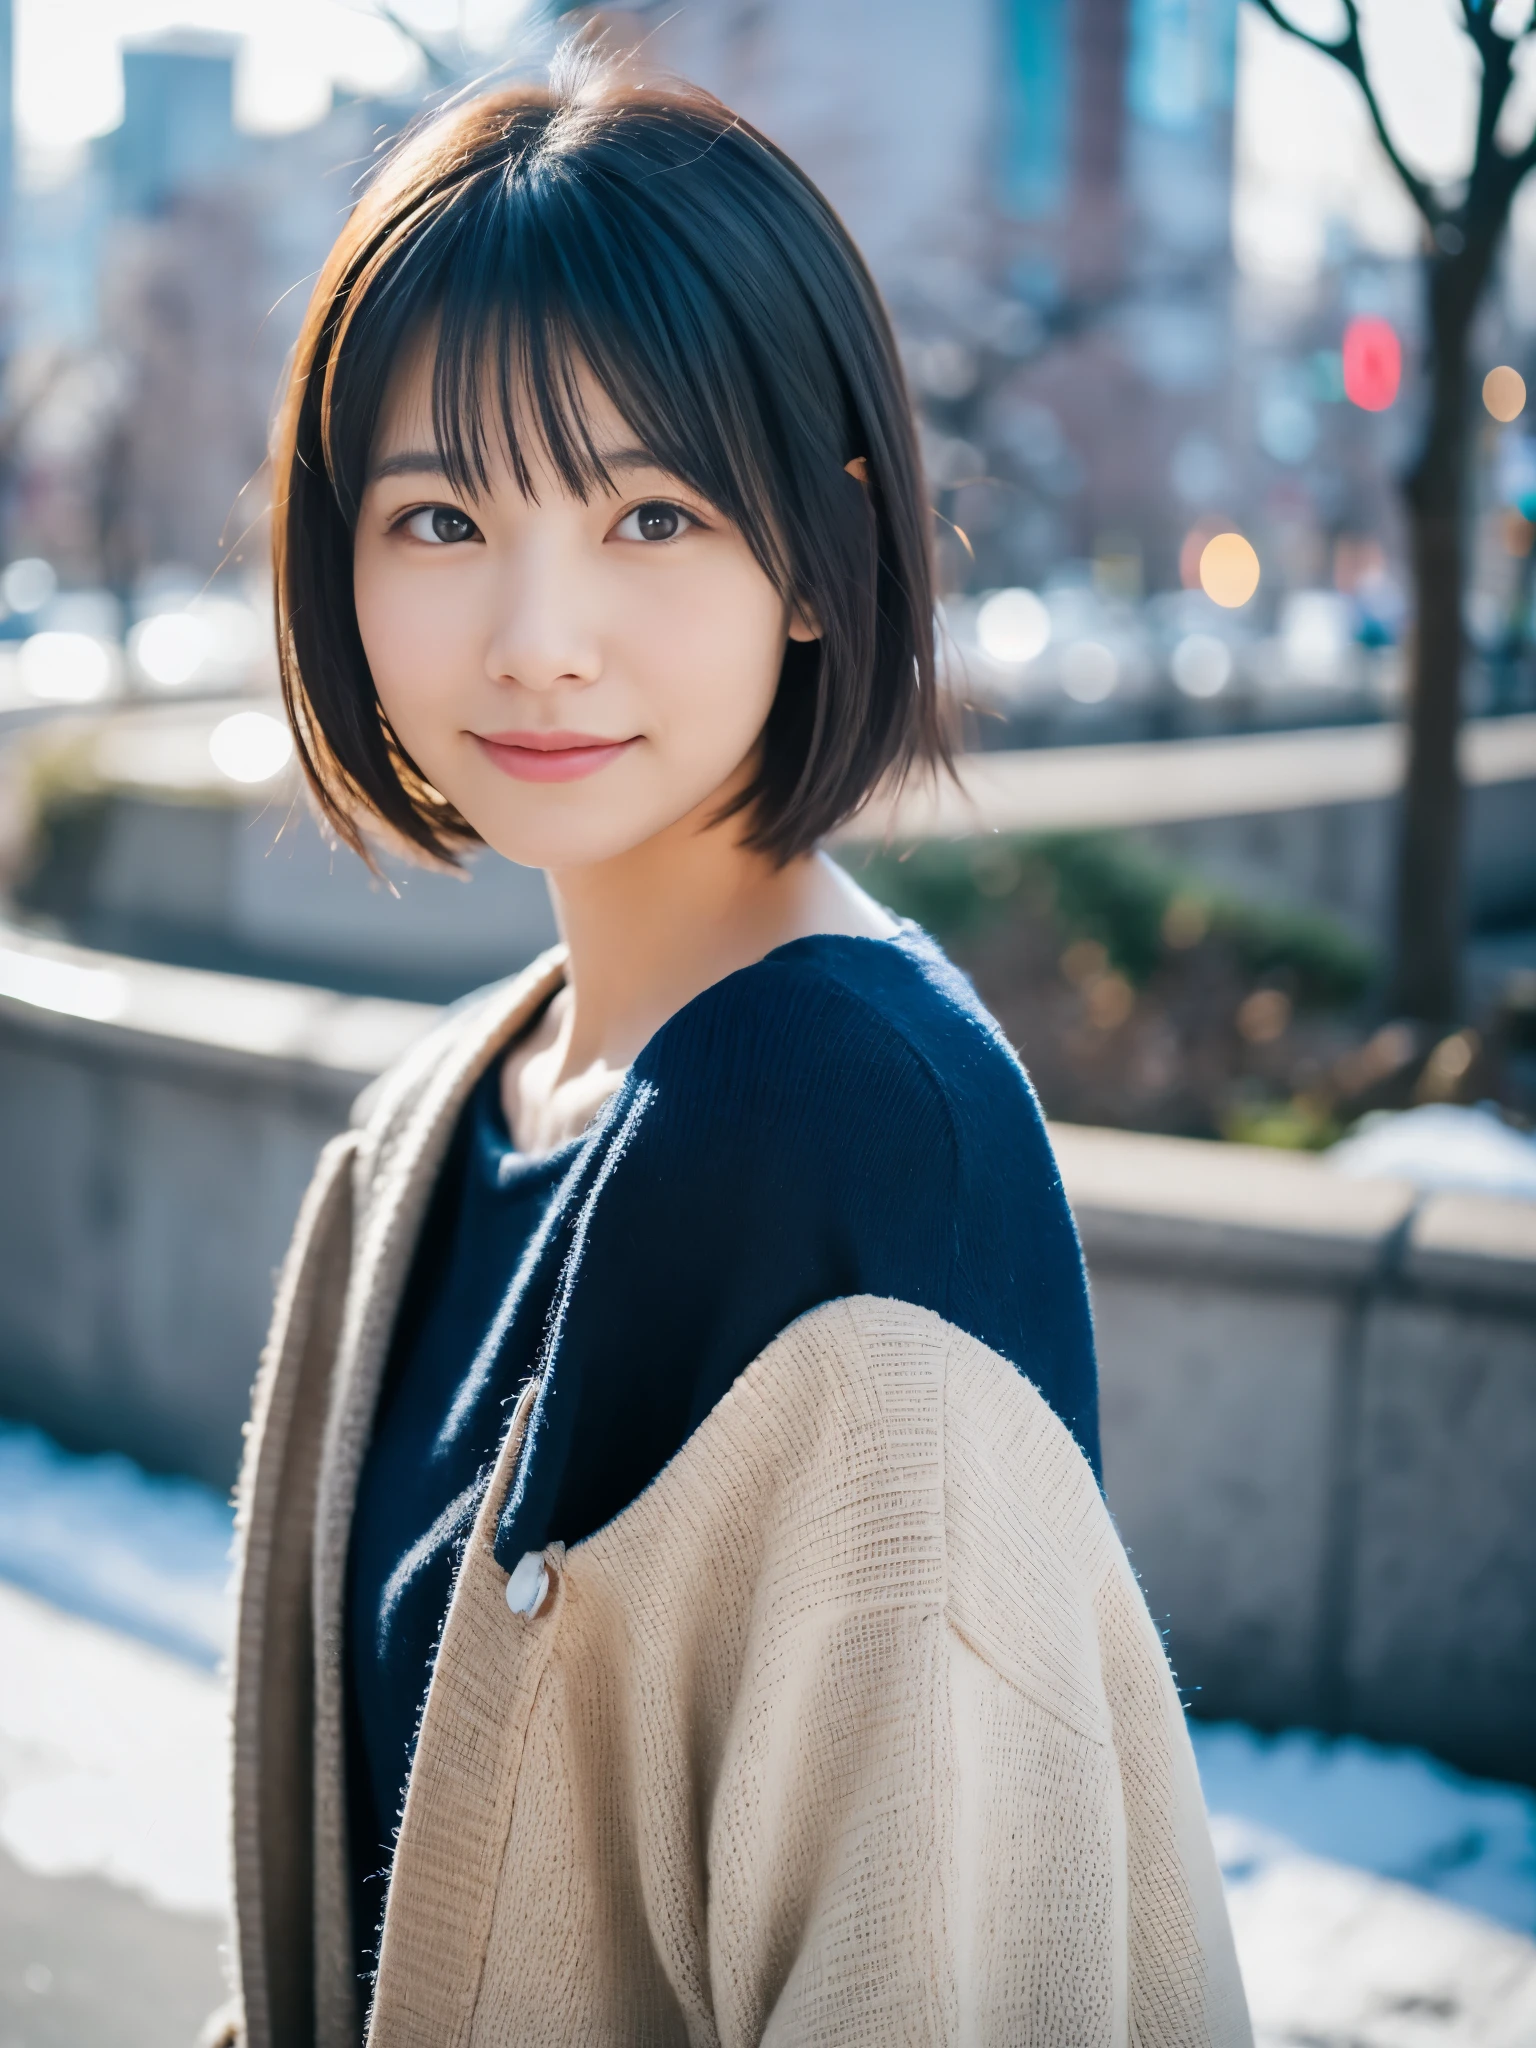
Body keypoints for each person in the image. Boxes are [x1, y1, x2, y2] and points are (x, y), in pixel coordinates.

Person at [218, 51, 1251, 2048]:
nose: (535, 632)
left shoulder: (862, 1150)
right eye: (441, 516)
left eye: (653, 512)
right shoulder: (441, 1121)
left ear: (818, 548)